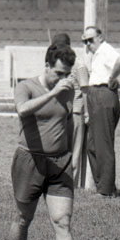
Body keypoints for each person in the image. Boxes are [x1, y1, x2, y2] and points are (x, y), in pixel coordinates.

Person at [9, 43, 86, 240]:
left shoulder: (68, 91)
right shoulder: (26, 87)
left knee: (62, 221)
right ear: (46, 66)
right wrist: (53, 93)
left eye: (67, 74)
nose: (64, 79)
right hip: (29, 161)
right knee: (23, 218)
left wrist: (74, 157)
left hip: (60, 164)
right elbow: (22, 110)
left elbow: (73, 124)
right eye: (59, 73)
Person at [82, 26, 120, 197]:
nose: (88, 44)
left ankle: (106, 191)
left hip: (103, 94)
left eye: (90, 40)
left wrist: (112, 77)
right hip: (95, 95)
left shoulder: (106, 49)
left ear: (100, 37)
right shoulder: (96, 55)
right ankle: (104, 186)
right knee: (92, 145)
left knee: (103, 145)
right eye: (85, 41)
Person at [52, 33, 89, 187]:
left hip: (75, 113)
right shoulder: (58, 64)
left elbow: (85, 90)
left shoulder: (79, 65)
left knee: (74, 152)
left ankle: (71, 185)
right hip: (61, 112)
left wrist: (86, 113)